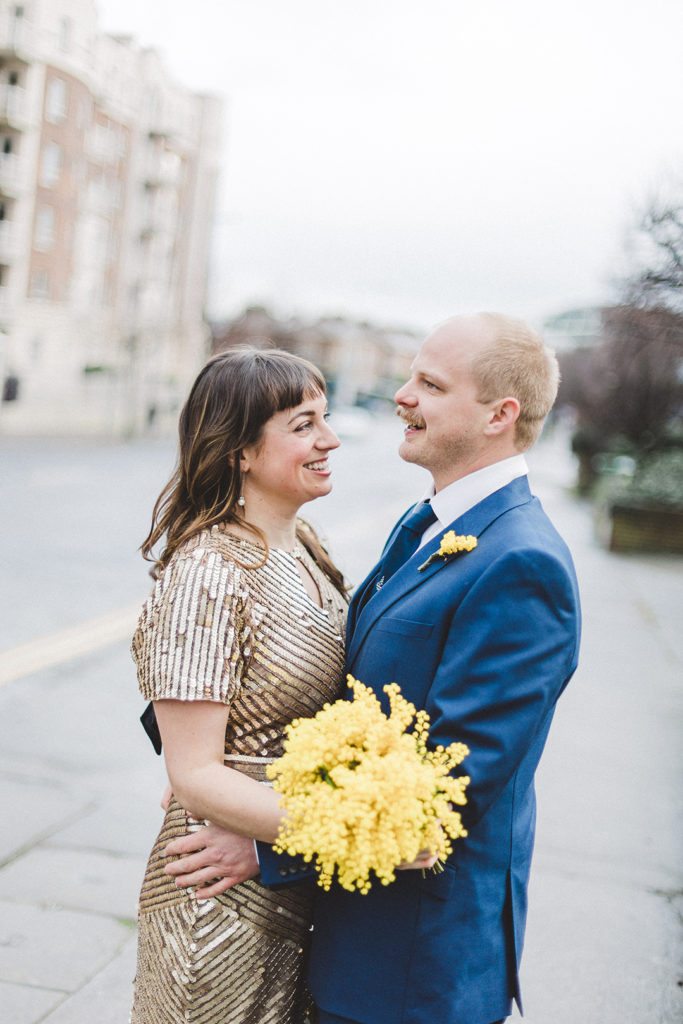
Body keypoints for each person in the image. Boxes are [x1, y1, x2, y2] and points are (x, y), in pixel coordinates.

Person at [163, 313, 582, 1024]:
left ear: (498, 415)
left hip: (410, 964)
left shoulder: (520, 563)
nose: (402, 394)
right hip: (347, 934)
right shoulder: (427, 526)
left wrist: (268, 847)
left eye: (429, 383)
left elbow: (437, 803)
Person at [130, 347, 351, 1023]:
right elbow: (194, 773)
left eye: (325, 418)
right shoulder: (211, 569)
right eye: (303, 425)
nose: (329, 439)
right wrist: (351, 833)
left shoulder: (306, 543)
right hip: (217, 898)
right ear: (240, 453)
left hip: (282, 871)